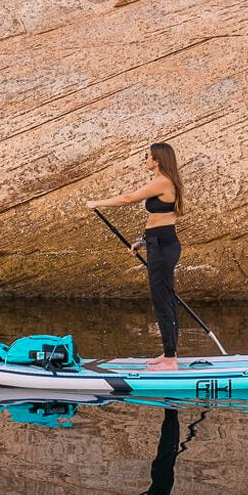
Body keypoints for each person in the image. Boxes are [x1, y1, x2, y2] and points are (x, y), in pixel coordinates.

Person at [86, 142, 185, 370]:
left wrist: (97, 203)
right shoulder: (166, 181)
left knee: (163, 301)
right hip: (157, 243)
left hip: (163, 246)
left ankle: (170, 360)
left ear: (157, 160)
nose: (145, 160)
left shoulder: (163, 182)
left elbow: (129, 198)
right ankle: (169, 353)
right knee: (164, 298)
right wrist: (143, 241)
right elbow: (161, 218)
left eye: (147, 156)